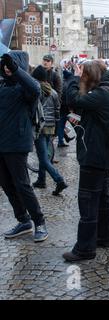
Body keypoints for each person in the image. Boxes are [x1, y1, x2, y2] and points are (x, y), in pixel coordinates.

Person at [62, 60, 109, 262]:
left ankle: (85, 248)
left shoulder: (101, 95)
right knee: (103, 199)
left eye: (84, 75)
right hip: (103, 154)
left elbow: (72, 98)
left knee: (87, 201)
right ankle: (105, 237)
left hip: (94, 155)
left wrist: (74, 77)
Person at [0, 51, 48, 242]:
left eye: (10, 65)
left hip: (17, 143)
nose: (6, 68)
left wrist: (16, 69)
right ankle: (23, 220)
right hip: (1, 143)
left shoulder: (25, 88)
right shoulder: (2, 85)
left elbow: (35, 89)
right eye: (5, 65)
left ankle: (40, 222)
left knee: (22, 185)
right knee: (6, 184)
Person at [30, 65, 68, 194]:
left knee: (43, 158)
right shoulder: (53, 92)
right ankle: (41, 180)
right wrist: (56, 128)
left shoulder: (36, 91)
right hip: (50, 127)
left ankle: (59, 180)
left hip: (40, 127)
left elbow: (33, 110)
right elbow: (57, 111)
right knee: (44, 154)